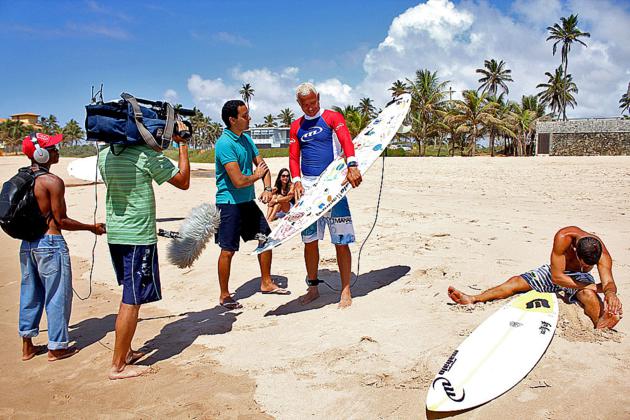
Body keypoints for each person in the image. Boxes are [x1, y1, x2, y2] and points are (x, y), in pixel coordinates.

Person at [98, 121, 190, 380]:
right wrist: (182, 145)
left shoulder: (104, 155)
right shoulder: (145, 156)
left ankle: (126, 352)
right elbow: (183, 182)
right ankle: (118, 365)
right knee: (132, 299)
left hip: (116, 234)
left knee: (129, 291)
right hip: (138, 236)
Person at [18, 133, 106, 362]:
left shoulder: (22, 179)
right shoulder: (52, 181)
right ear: (41, 154)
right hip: (50, 243)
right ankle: (57, 347)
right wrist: (91, 227)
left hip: (28, 244)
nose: (57, 150)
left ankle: (27, 346)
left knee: (30, 292)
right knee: (57, 295)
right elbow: (61, 221)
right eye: (53, 148)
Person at [448, 226, 623, 329]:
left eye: (590, 266)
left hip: (578, 278)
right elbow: (556, 277)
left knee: (589, 295)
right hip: (556, 273)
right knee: (515, 282)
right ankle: (473, 298)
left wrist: (610, 294)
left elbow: (608, 282)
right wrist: (594, 286)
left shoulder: (600, 252)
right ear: (576, 250)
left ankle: (600, 324)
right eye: (584, 264)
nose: (587, 268)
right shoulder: (563, 237)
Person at [289, 82, 363, 309]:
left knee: (341, 241)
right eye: (305, 105)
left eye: (313, 102)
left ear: (318, 97)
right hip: (310, 190)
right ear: (299, 104)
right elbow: (293, 157)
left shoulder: (332, 117)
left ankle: (345, 289)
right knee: (309, 242)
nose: (310, 108)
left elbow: (346, 141)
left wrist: (352, 165)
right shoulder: (296, 126)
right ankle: (313, 288)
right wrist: (296, 181)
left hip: (333, 186)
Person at [214, 100, 289, 310]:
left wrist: (267, 188)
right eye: (245, 115)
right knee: (228, 250)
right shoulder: (224, 144)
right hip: (228, 203)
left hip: (247, 202)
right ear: (232, 120)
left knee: (266, 238)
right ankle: (224, 295)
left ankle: (266, 283)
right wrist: (256, 176)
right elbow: (238, 181)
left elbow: (263, 166)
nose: (249, 119)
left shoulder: (246, 139)